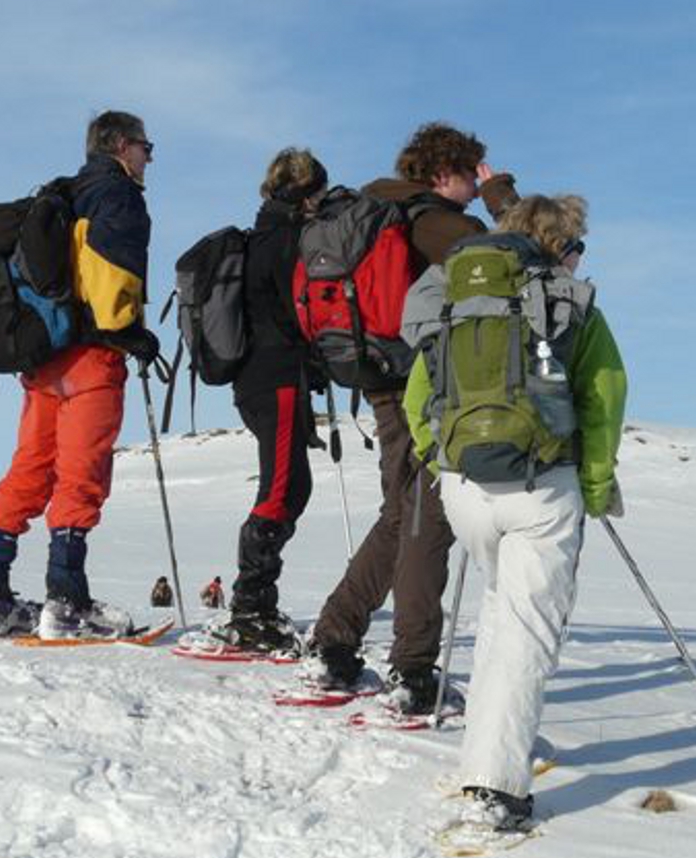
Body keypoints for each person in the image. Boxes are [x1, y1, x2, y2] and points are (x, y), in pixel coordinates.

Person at [401, 194, 626, 829]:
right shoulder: (569, 302)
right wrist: (596, 484)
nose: (579, 258)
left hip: (464, 487)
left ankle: (489, 747)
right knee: (527, 628)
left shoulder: (454, 298)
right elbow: (604, 396)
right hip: (541, 486)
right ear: (559, 244)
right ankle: (496, 784)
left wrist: (440, 459)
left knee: (502, 608)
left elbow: (419, 395)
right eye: (576, 246)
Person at [304, 122, 520, 712]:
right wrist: (501, 197)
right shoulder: (437, 223)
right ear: (444, 173)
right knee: (429, 517)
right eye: (469, 174)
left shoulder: (373, 207)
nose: (474, 186)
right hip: (420, 383)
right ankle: (413, 672)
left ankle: (333, 642)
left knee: (402, 513)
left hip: (378, 378)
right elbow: (522, 256)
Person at [0, 110, 162, 640]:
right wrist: (129, 332)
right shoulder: (117, 195)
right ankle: (67, 601)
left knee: (30, 467)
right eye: (145, 147)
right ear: (121, 146)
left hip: (43, 356)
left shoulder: (63, 192)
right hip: (90, 357)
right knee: (80, 475)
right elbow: (110, 273)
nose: (148, 158)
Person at [208, 148, 329, 653]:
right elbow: (298, 314)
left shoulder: (261, 236)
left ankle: (255, 603)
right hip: (275, 377)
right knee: (280, 488)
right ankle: (249, 610)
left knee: (293, 485)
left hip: (262, 380)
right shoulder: (286, 242)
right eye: (319, 192)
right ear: (306, 194)